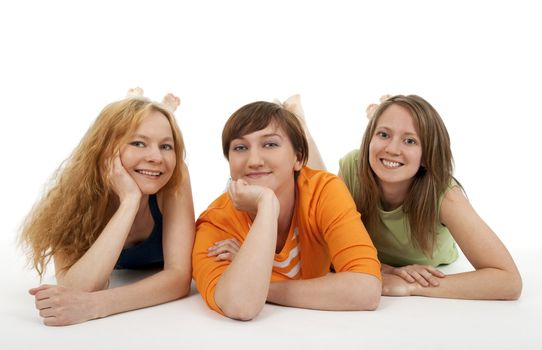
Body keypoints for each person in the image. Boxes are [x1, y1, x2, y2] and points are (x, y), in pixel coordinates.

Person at [192, 100, 382, 321]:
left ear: (299, 158)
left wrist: (260, 285)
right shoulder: (215, 222)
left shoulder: (324, 190)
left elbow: (365, 289)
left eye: (270, 144)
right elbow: (240, 305)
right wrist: (267, 204)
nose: (254, 161)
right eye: (240, 148)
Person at [19, 88, 195, 326]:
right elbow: (76, 287)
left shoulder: (175, 177)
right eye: (138, 143)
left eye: (166, 146)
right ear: (105, 150)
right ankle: (143, 102)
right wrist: (129, 201)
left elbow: (179, 278)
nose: (157, 158)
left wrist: (97, 306)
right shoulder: (75, 193)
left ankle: (160, 107)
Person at [336, 94, 521, 299]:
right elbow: (323, 244)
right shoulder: (352, 166)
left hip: (436, 258)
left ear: (426, 156)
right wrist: (384, 269)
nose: (392, 149)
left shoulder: (446, 195)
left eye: (410, 140)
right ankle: (377, 117)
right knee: (314, 187)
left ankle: (382, 116)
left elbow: (509, 281)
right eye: (383, 135)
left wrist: (412, 286)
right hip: (375, 258)